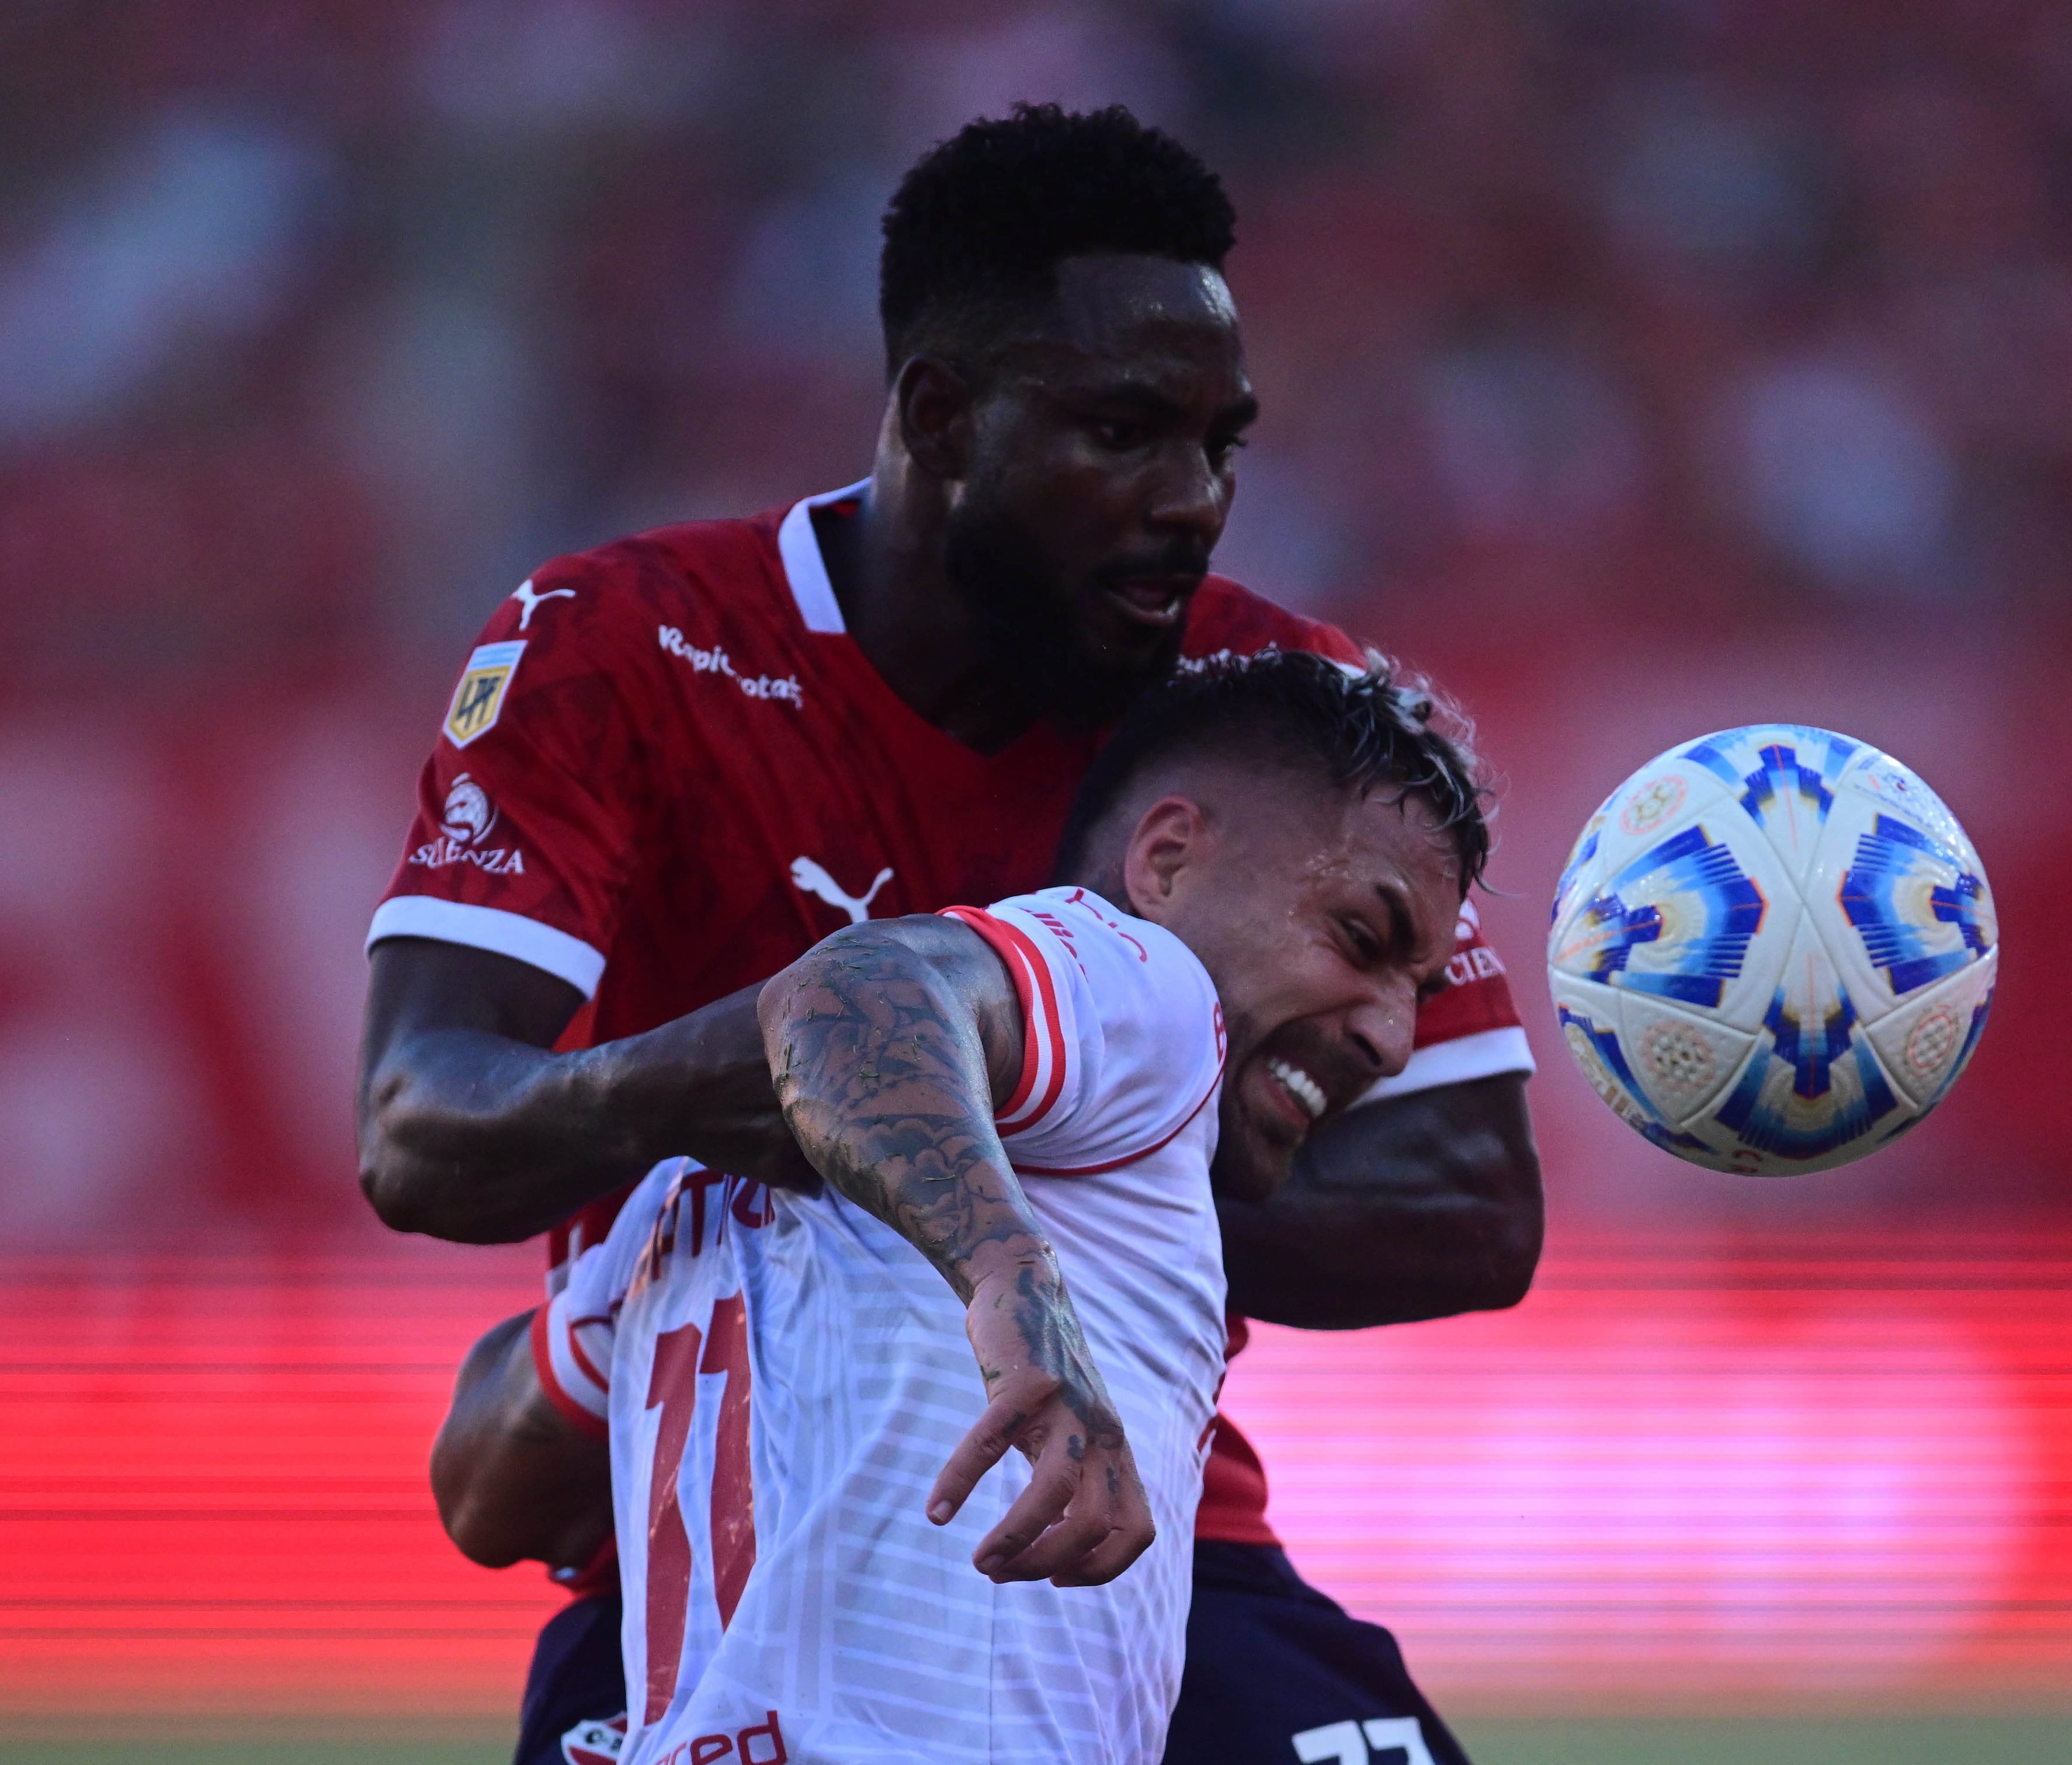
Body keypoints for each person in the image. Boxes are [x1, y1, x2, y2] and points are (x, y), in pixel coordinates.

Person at [356, 105, 1540, 1765]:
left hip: (1128, 1516)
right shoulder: (626, 648)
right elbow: (420, 1123)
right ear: (941, 413)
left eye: (1219, 445)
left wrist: (1004, 1162)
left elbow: (1470, 1205)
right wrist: (778, 1119)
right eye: (1124, 430)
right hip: (716, 1543)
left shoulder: (1275, 714)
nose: (1192, 500)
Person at [432, 653, 1490, 1765]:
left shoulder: (693, 1195)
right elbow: (850, 993)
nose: (1392, 1037)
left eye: (1417, 992)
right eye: (1363, 942)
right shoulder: (1154, 990)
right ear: (1168, 863)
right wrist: (1009, 1287)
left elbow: (481, 1493)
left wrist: (618, 1323)